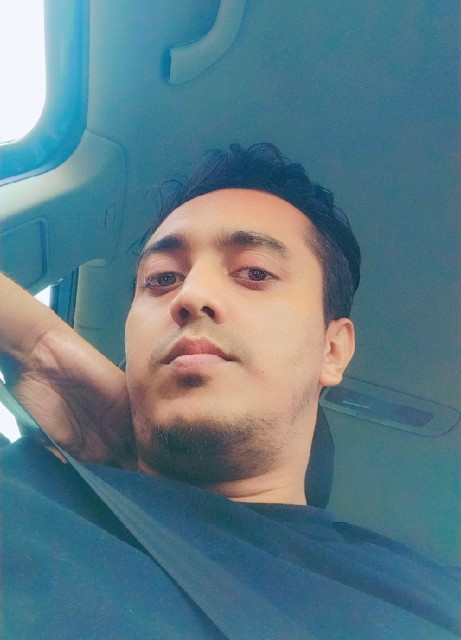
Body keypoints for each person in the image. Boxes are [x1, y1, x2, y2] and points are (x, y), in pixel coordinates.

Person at [0, 143, 459, 639]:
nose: (190, 295)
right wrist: (35, 343)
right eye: (162, 278)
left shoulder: (436, 601)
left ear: (333, 350)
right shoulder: (21, 493)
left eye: (255, 273)